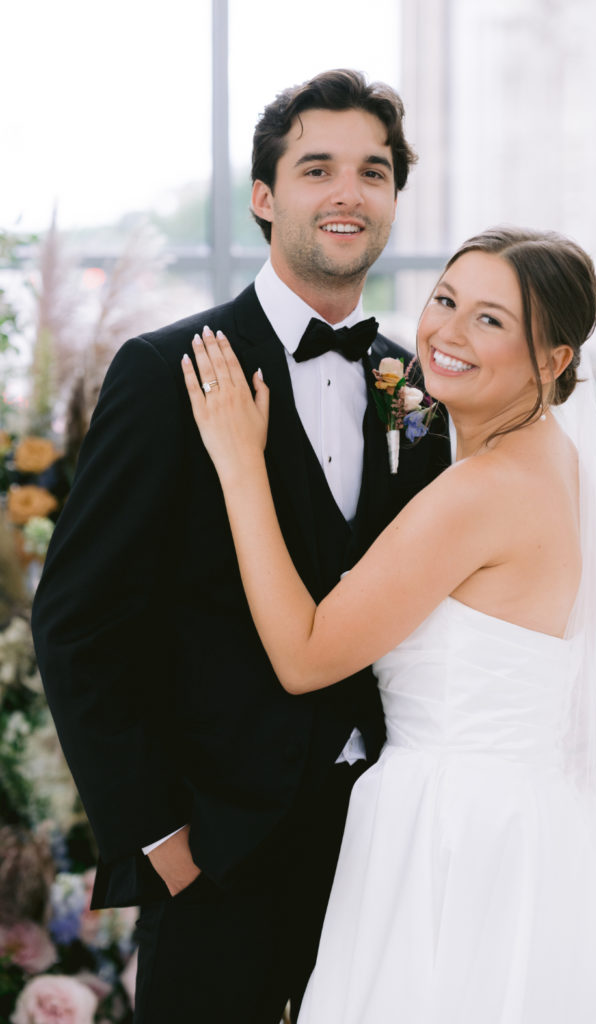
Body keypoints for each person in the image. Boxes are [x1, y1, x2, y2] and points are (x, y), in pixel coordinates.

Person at [30, 69, 450, 1023]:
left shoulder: (412, 386)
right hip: (219, 850)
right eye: (317, 169)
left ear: (391, 201)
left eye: (372, 172)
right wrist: (162, 838)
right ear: (266, 198)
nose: (348, 192)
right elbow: (77, 624)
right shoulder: (165, 371)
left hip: (383, 837)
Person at [182, 226, 596, 1023]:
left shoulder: (479, 491)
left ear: (553, 360)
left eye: (489, 320)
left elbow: (306, 656)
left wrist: (242, 464)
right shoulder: (554, 461)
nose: (446, 333)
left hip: (450, 830)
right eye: (444, 300)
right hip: (529, 820)